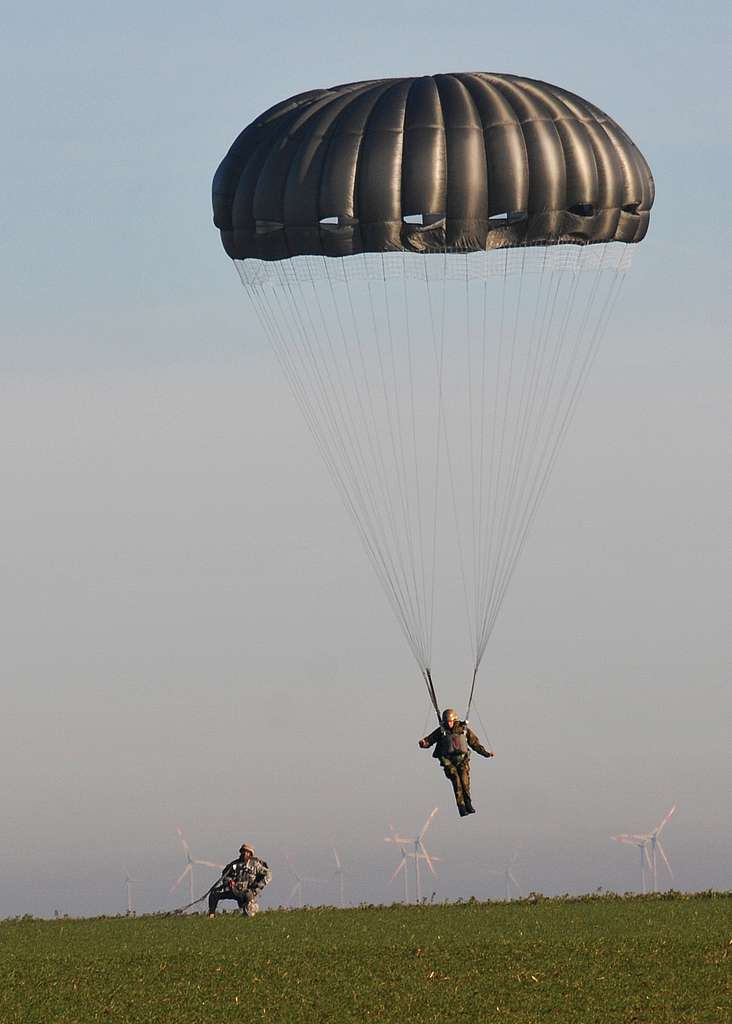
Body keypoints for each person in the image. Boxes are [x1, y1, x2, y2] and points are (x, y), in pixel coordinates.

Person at [419, 709, 494, 817]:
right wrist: (423, 743)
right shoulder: (441, 730)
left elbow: (475, 744)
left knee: (464, 781)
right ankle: (461, 807)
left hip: (462, 760)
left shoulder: (463, 729)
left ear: (454, 720)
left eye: (450, 721)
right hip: (448, 762)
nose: (449, 724)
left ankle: (468, 803)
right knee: (456, 780)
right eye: (447, 722)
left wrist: (486, 753)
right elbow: (429, 741)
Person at [208, 843, 272, 917]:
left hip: (248, 893)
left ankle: (249, 908)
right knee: (214, 893)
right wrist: (229, 881)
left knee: (248, 915)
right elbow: (224, 876)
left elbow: (268, 875)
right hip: (234, 890)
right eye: (243, 851)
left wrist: (257, 887)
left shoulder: (255, 865)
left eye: (247, 852)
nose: (245, 854)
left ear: (251, 854)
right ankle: (211, 915)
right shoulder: (234, 865)